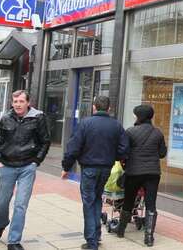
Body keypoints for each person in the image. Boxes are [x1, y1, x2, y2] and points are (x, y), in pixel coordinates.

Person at [61, 96, 129, 250]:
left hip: (89, 168)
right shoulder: (116, 125)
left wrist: (66, 167)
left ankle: (92, 241)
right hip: (106, 168)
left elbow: (73, 148)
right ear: (109, 109)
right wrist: (114, 156)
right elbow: (124, 149)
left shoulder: (85, 124)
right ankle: (96, 235)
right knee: (97, 199)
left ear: (94, 107)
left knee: (89, 202)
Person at [0, 90, 51, 250]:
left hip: (27, 166)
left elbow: (45, 141)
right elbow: (0, 141)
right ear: (12, 103)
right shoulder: (5, 118)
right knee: (1, 203)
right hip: (7, 165)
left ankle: (14, 240)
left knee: (20, 205)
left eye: (21, 101)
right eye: (15, 101)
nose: (18, 104)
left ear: (28, 103)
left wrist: (36, 161)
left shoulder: (38, 117)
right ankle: (0, 224)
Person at [117, 104, 166, 246]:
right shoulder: (158, 133)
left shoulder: (130, 132)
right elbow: (162, 154)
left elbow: (124, 152)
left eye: (135, 114)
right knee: (151, 204)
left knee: (129, 200)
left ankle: (121, 230)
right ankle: (149, 237)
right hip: (153, 173)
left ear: (139, 116)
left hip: (134, 172)